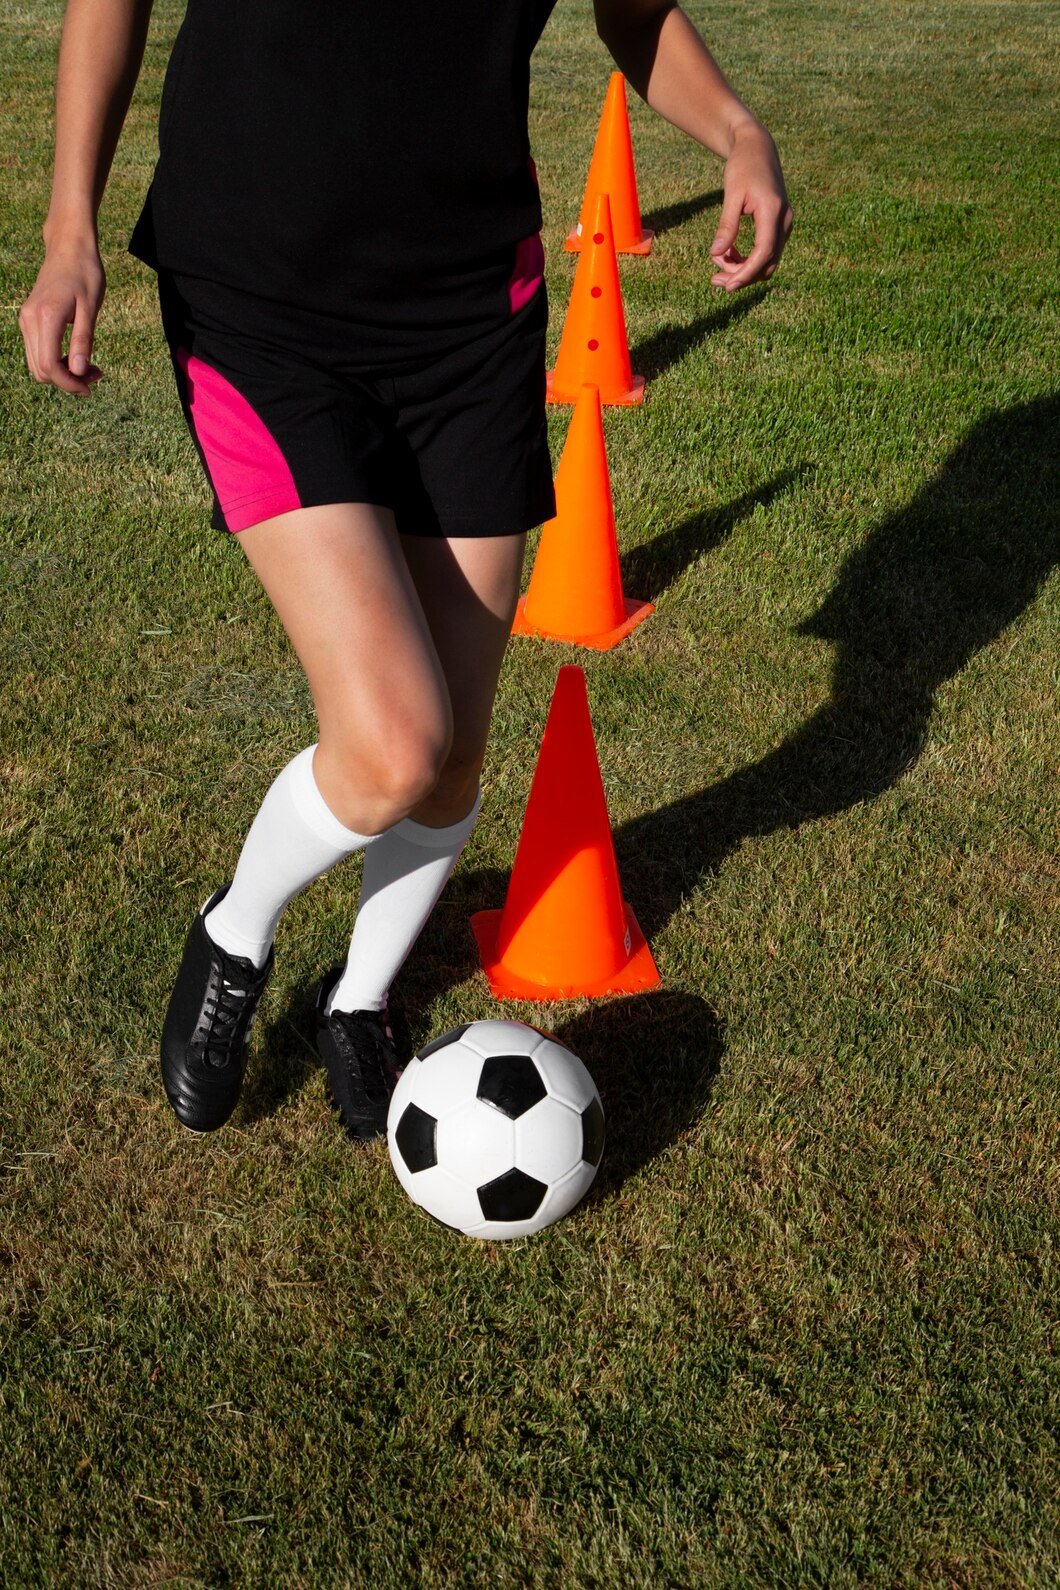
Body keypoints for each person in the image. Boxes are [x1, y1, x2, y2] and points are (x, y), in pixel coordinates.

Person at [18, 0, 793, 1143]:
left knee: (453, 754)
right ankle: (238, 930)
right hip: (256, 297)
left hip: (468, 311)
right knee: (395, 743)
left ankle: (361, 999)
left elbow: (632, 8)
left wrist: (735, 131)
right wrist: (68, 227)